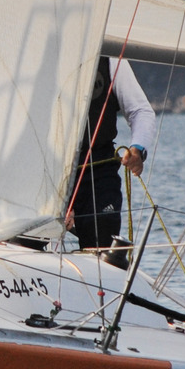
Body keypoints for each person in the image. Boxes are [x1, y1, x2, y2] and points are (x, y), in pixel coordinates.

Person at [67, 56, 156, 251]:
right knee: (26, 240)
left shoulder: (110, 57)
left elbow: (140, 111)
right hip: (43, 169)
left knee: (102, 234)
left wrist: (138, 149)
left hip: (98, 168)